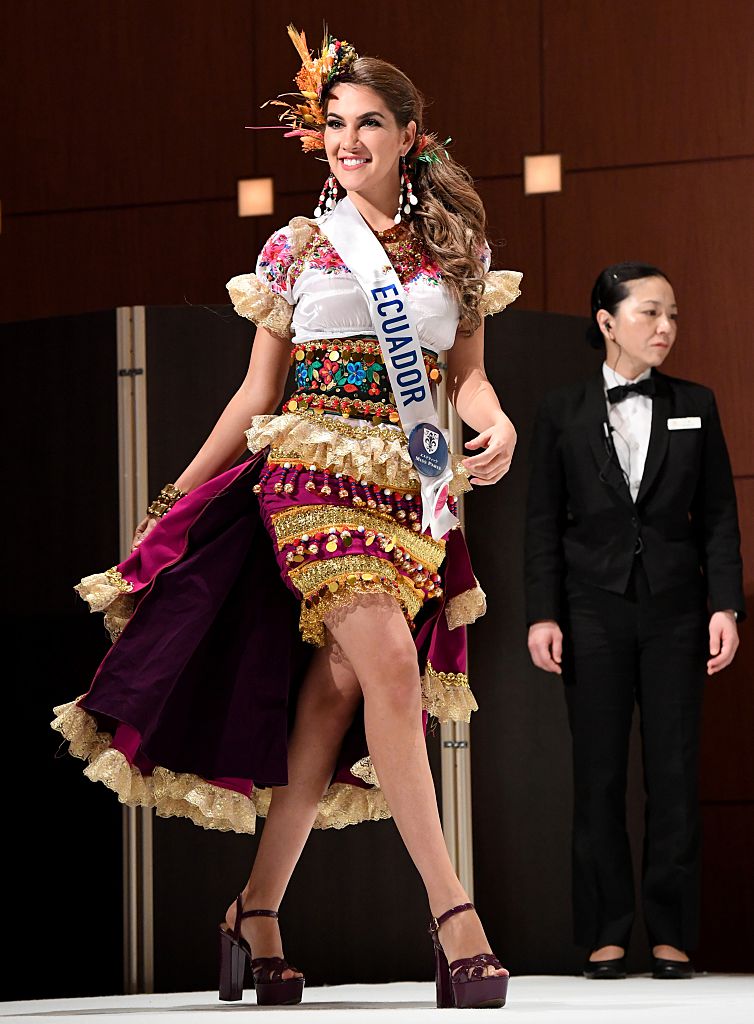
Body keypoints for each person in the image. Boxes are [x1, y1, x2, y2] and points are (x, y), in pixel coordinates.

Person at [52, 28, 522, 1010]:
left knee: (334, 691)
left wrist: (495, 421)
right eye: (334, 126)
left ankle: (255, 910)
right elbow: (252, 395)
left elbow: (464, 377)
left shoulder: (456, 246)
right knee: (389, 663)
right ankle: (453, 914)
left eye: (368, 125)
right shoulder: (296, 248)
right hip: (308, 475)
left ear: (409, 136)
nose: (348, 141)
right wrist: (175, 497)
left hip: (409, 487)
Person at [524, 261, 745, 980]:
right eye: (651, 313)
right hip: (592, 609)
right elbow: (542, 526)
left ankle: (673, 933)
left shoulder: (698, 404)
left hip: (679, 609)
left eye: (673, 315)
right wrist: (542, 615)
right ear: (607, 321)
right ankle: (605, 933)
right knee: (598, 775)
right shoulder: (562, 410)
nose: (667, 328)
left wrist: (725, 606)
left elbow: (717, 515)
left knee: (675, 773)